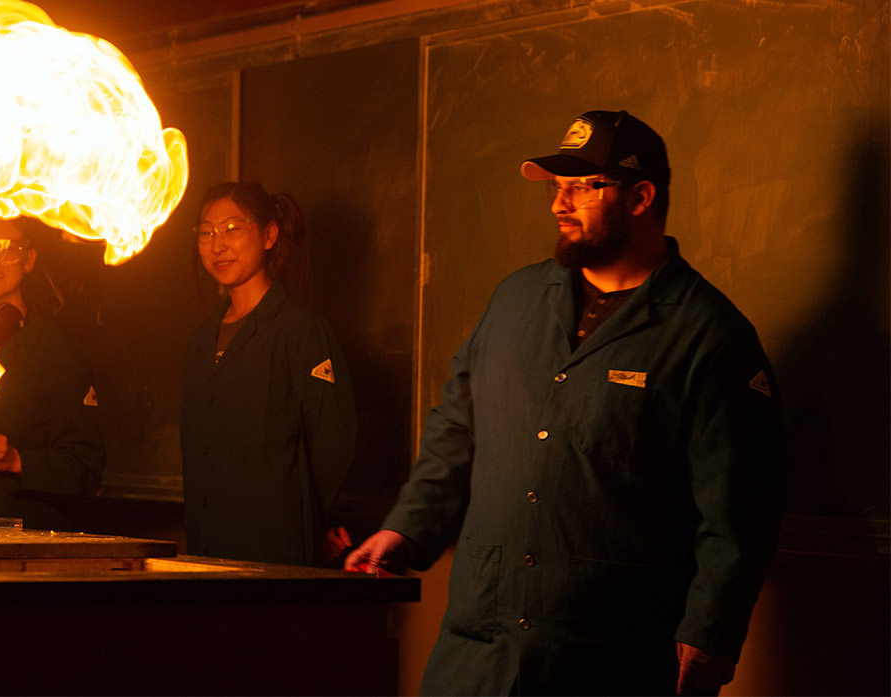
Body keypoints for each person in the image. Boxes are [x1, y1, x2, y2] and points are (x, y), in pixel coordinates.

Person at [345, 111, 784, 695]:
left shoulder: (709, 334)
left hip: (608, 654)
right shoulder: (514, 300)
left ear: (640, 196)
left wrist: (710, 630)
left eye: (582, 186)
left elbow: (738, 509)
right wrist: (405, 530)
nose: (560, 204)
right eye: (557, 188)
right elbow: (456, 433)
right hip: (480, 647)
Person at [180, 182, 356, 566]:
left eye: (232, 228)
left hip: (275, 550)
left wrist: (313, 522)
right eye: (206, 232)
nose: (217, 245)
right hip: (208, 546)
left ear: (269, 235)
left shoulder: (299, 328)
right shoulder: (201, 338)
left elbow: (332, 441)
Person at [0, 217, 104, 532]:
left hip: (23, 541)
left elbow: (86, 468)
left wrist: (18, 461)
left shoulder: (58, 353)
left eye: (7, 250)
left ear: (29, 260)